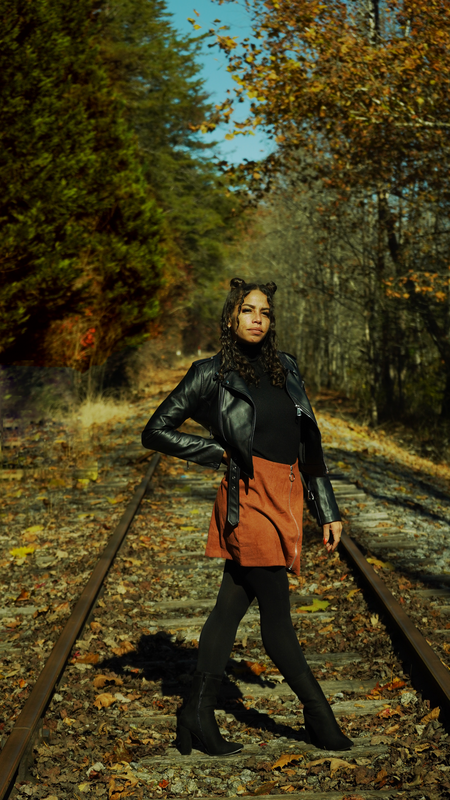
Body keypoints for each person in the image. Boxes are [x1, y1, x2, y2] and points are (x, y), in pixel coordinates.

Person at [141, 277, 352, 756]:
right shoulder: (209, 374)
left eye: (265, 313)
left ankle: (195, 711)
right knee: (277, 615)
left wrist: (328, 509)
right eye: (248, 311)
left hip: (288, 495)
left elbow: (308, 446)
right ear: (231, 317)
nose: (257, 319)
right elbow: (156, 430)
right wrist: (215, 452)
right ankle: (320, 716)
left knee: (230, 604)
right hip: (249, 497)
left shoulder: (288, 369)